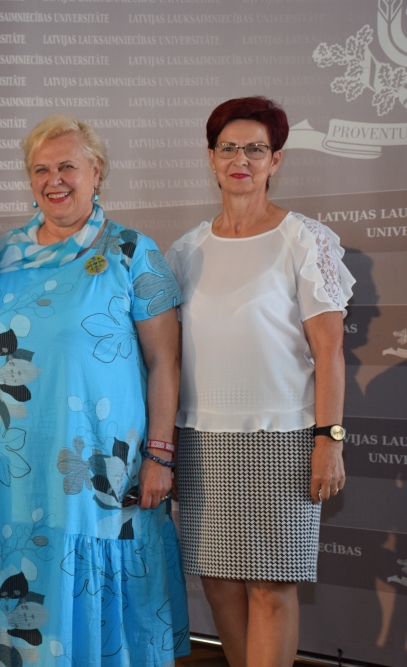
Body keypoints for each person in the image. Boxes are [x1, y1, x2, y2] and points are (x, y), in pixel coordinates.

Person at [0, 115, 191, 666]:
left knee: (97, 582)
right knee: (19, 570)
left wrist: (160, 455)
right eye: (41, 169)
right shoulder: (2, 257)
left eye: (67, 166)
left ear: (97, 172)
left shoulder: (132, 252)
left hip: (101, 468)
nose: (54, 180)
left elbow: (166, 362)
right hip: (12, 468)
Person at [165, 96, 353, 666]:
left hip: (286, 439)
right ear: (211, 158)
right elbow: (169, 358)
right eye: (228, 148)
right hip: (202, 440)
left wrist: (329, 440)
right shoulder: (186, 250)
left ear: (276, 160)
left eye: (255, 148)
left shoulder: (304, 239)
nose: (240, 160)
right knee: (219, 583)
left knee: (272, 587)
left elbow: (330, 351)